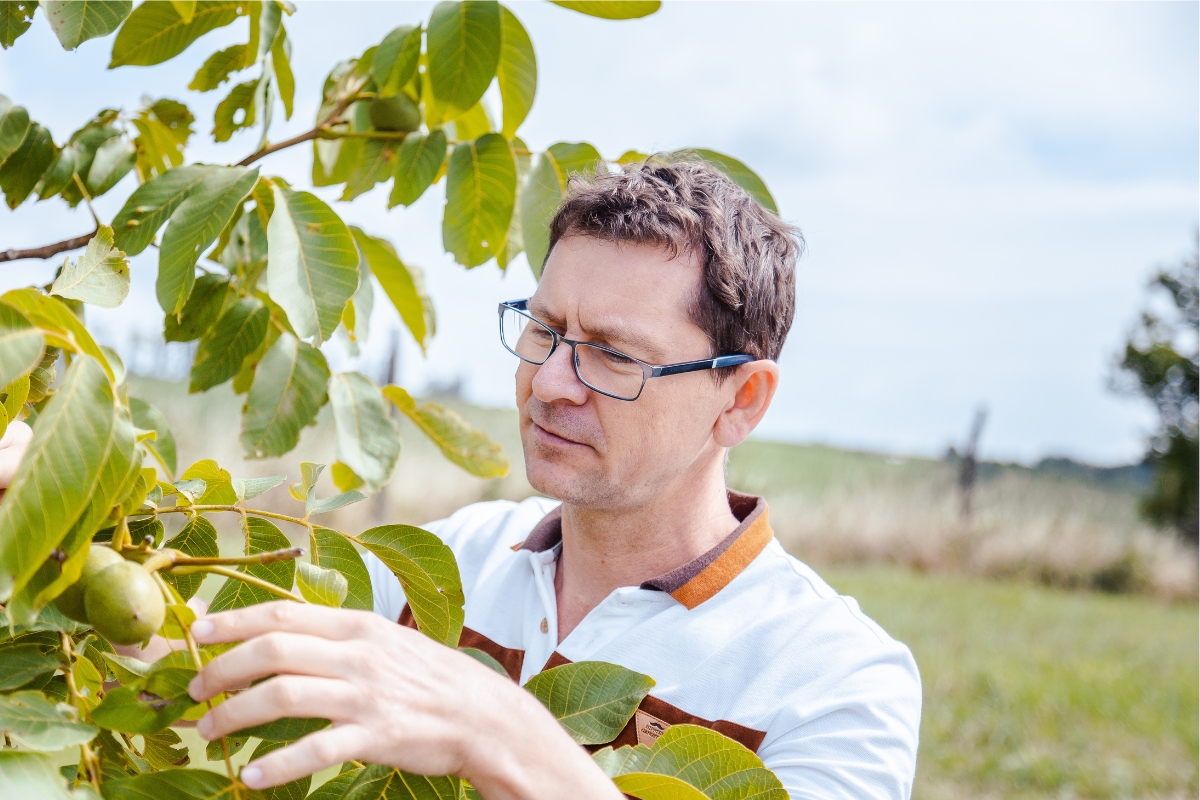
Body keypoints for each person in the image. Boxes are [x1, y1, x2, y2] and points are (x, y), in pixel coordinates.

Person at [2, 160, 922, 798]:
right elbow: (215, 668)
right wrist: (53, 524)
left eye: (613, 355)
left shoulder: (836, 679)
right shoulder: (452, 561)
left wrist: (500, 731)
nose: (550, 383)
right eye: (545, 331)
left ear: (741, 401)